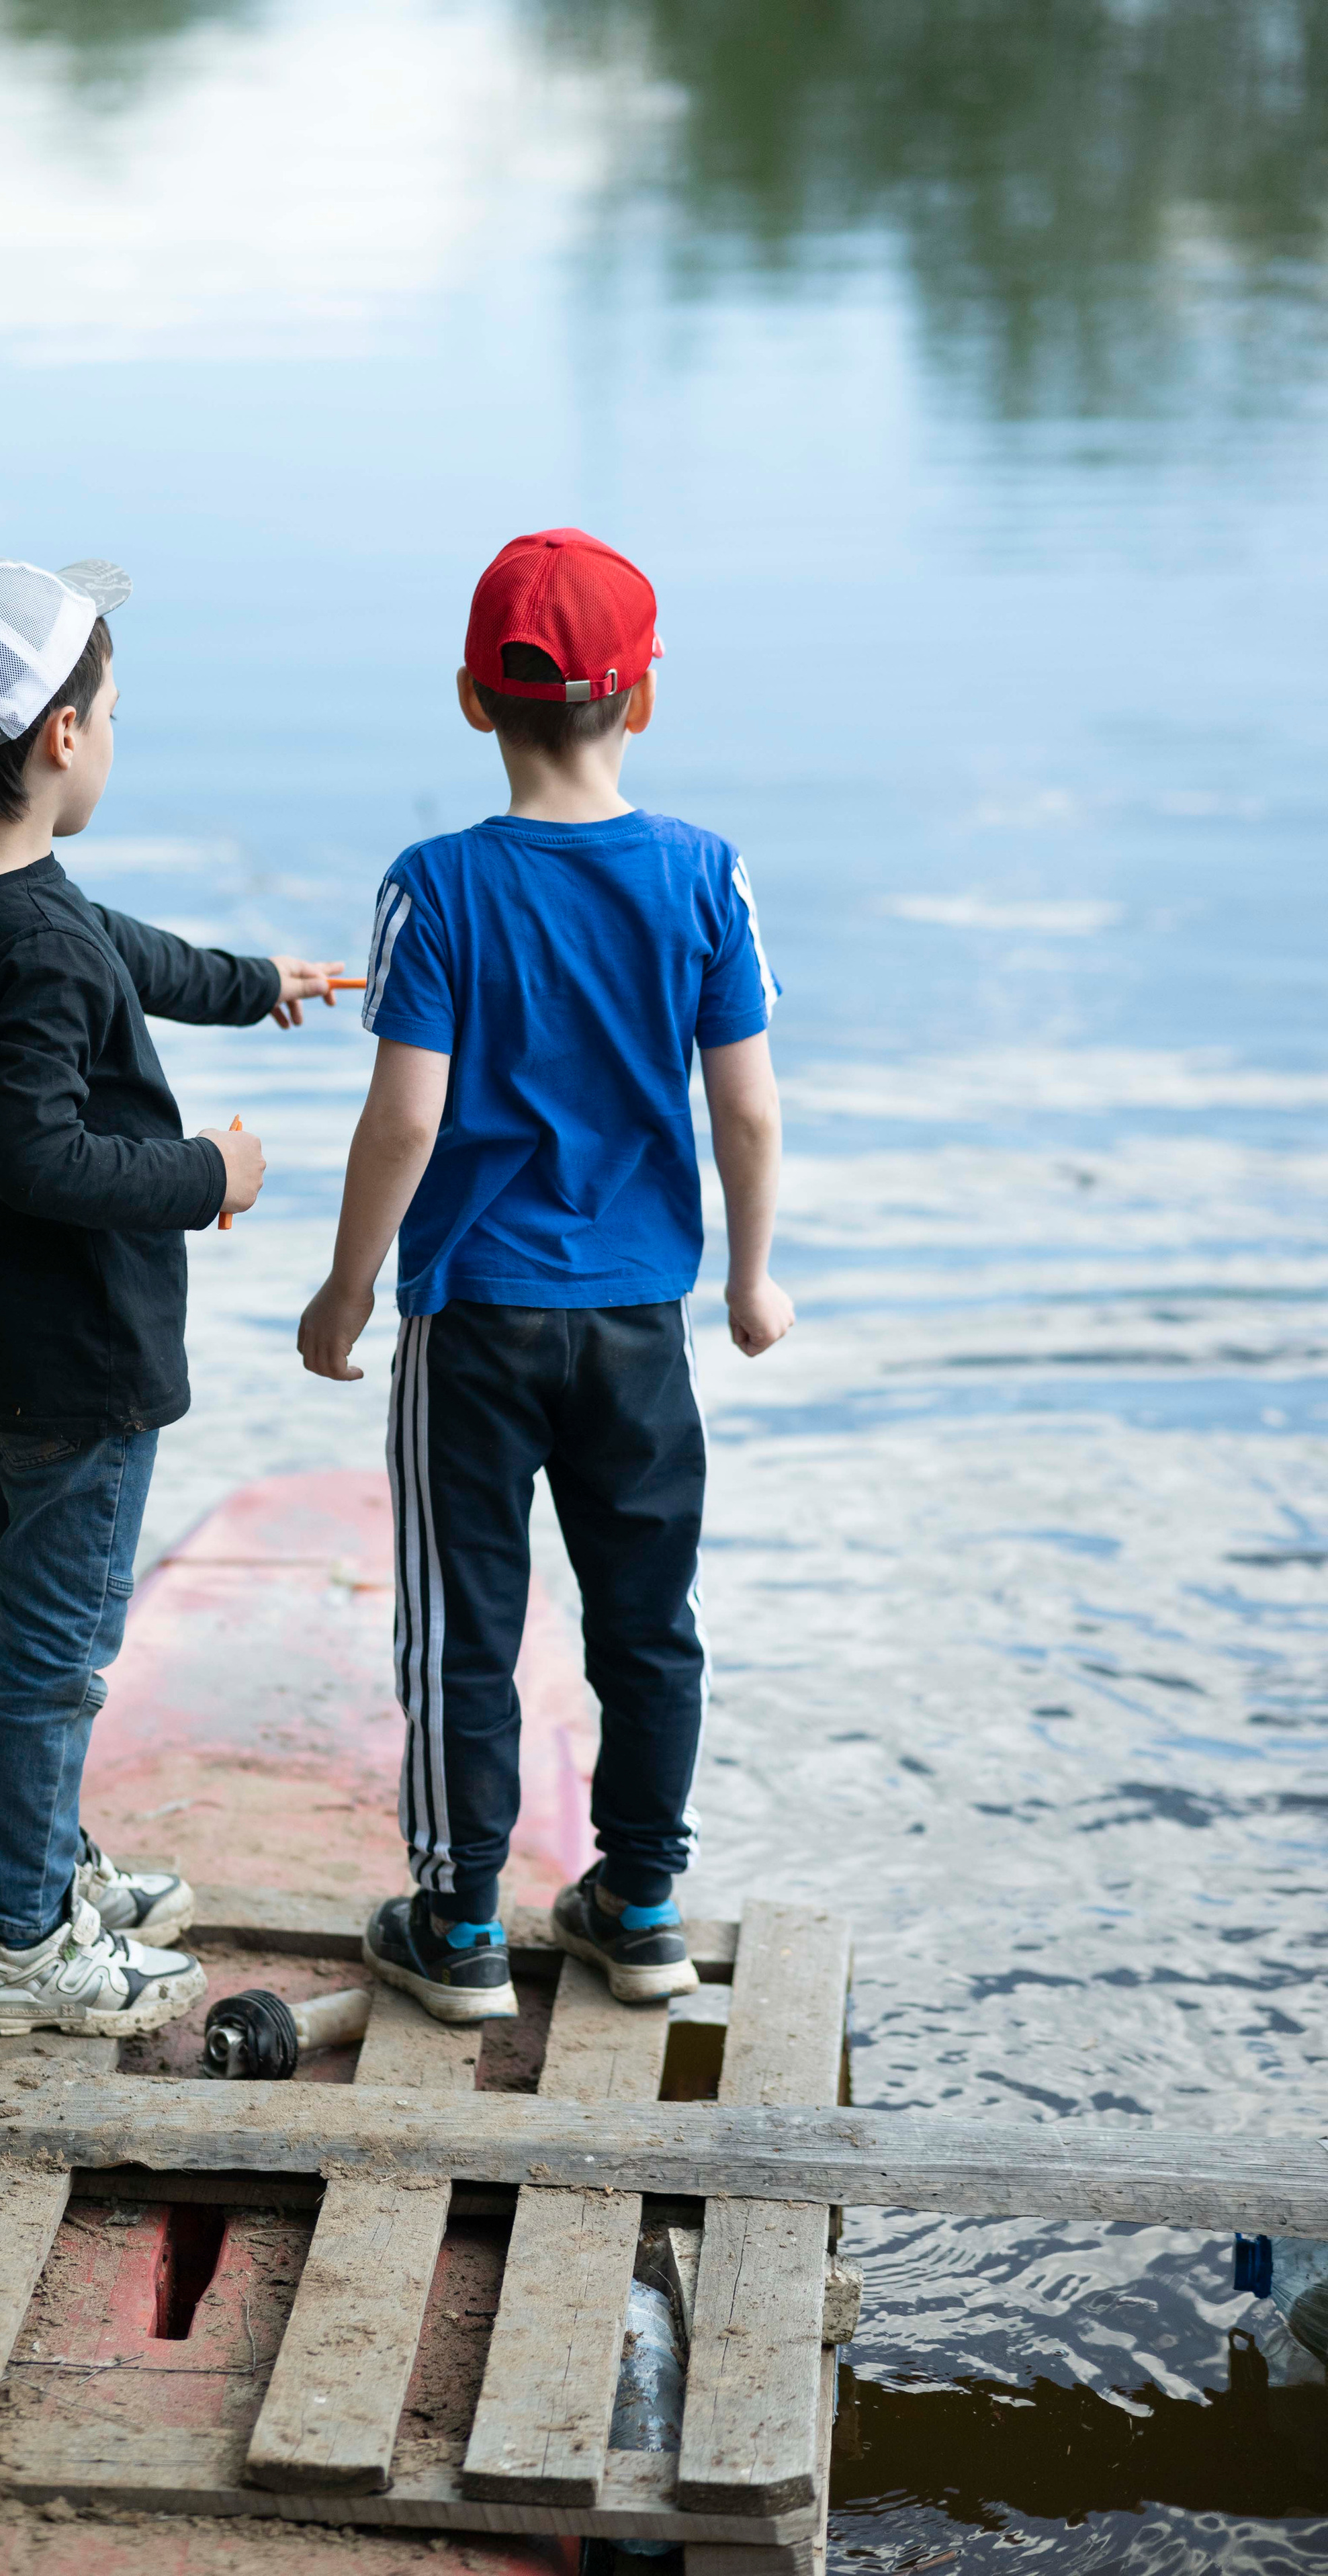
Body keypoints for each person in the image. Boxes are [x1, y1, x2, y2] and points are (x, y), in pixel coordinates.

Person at [298, 527, 794, 2022]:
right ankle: (638, 1904)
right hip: (638, 1325)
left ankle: (458, 1925)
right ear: (642, 699)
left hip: (474, 1318)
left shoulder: (435, 886)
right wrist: (751, 1280)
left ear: (473, 699)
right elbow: (746, 1109)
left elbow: (405, 1119)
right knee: (647, 1620)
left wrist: (345, 1288)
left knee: (464, 1626)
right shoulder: (705, 875)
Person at [0, 553, 340, 2035]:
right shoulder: (33, 938)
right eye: (112, 711)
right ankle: (20, 1939)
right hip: (75, 1364)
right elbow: (39, 1155)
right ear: (64, 736)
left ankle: (34, 1864)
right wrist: (210, 1173)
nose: (112, 733)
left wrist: (252, 980)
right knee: (56, 1654)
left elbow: (113, 951)